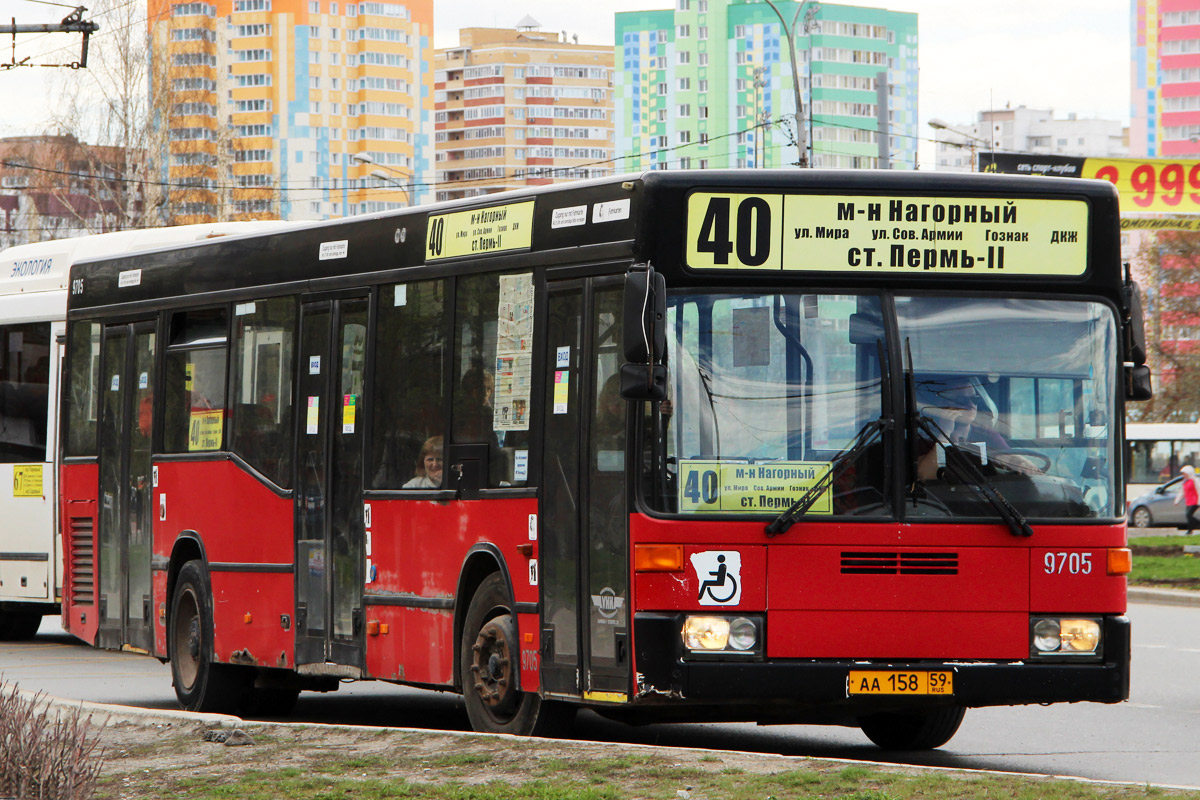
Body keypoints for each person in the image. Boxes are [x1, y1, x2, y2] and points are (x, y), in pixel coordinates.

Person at [1173, 463, 1200, 534]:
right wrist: (1177, 501)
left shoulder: (1195, 480)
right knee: (1188, 516)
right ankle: (1190, 530)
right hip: (1189, 501)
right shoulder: (1185, 482)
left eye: (1184, 473)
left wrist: (1199, 502)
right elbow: (1182, 492)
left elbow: (1199, 490)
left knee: (1188, 514)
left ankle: (1196, 524)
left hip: (1195, 501)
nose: (1183, 475)